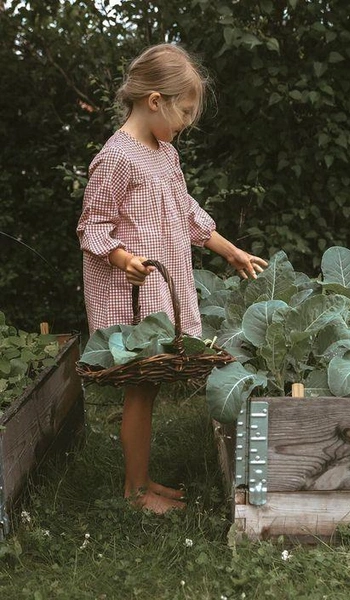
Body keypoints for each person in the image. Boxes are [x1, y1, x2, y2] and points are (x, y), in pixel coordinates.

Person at [77, 43, 268, 514]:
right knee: (140, 388)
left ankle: (142, 481)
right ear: (155, 100)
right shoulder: (116, 158)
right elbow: (91, 227)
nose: (186, 123)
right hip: (133, 296)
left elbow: (186, 214)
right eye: (183, 111)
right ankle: (135, 491)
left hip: (162, 289)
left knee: (150, 385)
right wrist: (123, 260)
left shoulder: (164, 155)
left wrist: (230, 250)